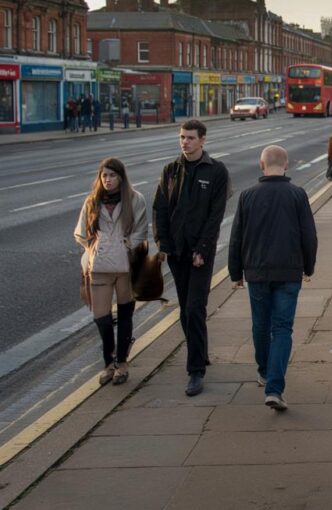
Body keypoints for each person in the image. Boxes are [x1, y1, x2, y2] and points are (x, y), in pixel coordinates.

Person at [229, 145, 317, 411]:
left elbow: (237, 238)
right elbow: (309, 236)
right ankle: (275, 389)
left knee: (260, 325)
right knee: (282, 329)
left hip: (256, 272)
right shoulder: (298, 195)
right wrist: (308, 267)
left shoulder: (247, 196)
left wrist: (235, 273)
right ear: (287, 165)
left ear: (261, 164)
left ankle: (264, 370)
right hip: (289, 272)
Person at [153, 119, 231, 396]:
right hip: (177, 251)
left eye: (190, 138)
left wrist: (203, 248)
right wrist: (162, 243)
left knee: (194, 308)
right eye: (182, 137)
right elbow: (160, 208)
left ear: (203, 140)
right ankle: (201, 352)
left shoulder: (216, 171)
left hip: (201, 252)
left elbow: (216, 214)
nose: (185, 142)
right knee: (185, 308)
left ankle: (195, 370)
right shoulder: (171, 171)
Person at [74, 158, 149, 386]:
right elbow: (80, 233)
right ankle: (108, 362)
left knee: (125, 315)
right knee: (102, 318)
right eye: (104, 175)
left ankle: (122, 363)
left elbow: (141, 230)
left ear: (121, 177)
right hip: (99, 268)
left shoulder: (135, 199)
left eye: (112, 175)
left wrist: (124, 245)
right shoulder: (92, 201)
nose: (107, 179)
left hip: (125, 267)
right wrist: (94, 249)